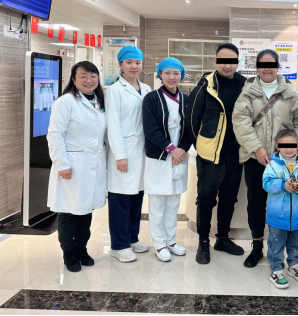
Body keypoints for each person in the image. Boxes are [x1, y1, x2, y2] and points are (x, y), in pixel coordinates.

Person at [233, 49, 298, 269]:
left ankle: (281, 248)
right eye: (263, 65)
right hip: (255, 158)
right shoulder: (247, 93)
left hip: (284, 161)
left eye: (272, 65)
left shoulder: (290, 93)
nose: (268, 69)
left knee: (282, 202)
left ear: (278, 67)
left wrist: (288, 148)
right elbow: (241, 123)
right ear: (256, 68)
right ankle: (256, 246)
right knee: (256, 203)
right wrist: (257, 149)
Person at [186, 43, 247, 265]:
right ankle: (203, 242)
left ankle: (222, 238)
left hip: (236, 155)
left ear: (237, 63)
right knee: (205, 200)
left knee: (229, 199)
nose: (227, 65)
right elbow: (192, 122)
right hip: (211, 156)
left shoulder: (245, 86)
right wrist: (203, 145)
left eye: (231, 61)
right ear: (215, 62)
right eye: (222, 61)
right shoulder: (205, 87)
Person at [47, 61, 108, 273]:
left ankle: (82, 249)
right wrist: (62, 164)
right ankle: (69, 253)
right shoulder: (65, 102)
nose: (89, 80)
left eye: (93, 76)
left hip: (93, 164)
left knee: (86, 209)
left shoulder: (100, 101)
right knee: (68, 212)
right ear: (74, 80)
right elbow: (55, 135)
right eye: (83, 76)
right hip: (72, 165)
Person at [143, 58, 192, 262]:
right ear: (160, 75)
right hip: (159, 158)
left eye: (176, 73)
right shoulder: (151, 98)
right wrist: (171, 149)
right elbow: (150, 129)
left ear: (182, 75)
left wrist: (181, 151)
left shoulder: (186, 98)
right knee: (157, 204)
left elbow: (190, 128)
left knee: (173, 203)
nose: (172, 77)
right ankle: (159, 243)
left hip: (178, 158)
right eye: (167, 73)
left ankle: (171, 241)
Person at [106, 45, 152, 263]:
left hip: (142, 152)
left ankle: (133, 238)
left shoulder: (146, 88)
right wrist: (119, 155)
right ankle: (119, 245)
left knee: (136, 196)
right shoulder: (114, 90)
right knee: (121, 198)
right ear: (120, 64)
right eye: (129, 62)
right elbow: (113, 124)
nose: (134, 66)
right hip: (124, 151)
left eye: (138, 62)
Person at [262, 129, 298, 289]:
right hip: (278, 215)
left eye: (292, 145)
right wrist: (282, 185)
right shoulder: (273, 164)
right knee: (276, 244)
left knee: (297, 243)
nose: (288, 149)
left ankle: (293, 265)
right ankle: (276, 269)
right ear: (277, 146)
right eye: (284, 145)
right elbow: (266, 183)